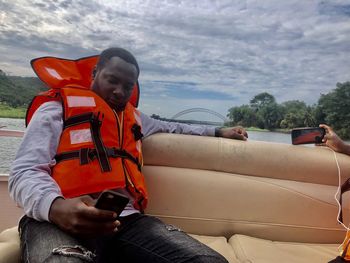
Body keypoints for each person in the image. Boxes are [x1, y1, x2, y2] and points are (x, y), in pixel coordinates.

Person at [9, 47, 248, 263]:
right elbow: (24, 172)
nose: (119, 92)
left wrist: (218, 131)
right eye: (112, 80)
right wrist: (56, 207)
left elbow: (175, 126)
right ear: (95, 73)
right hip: (54, 220)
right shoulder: (56, 108)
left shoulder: (136, 118)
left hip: (124, 221)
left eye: (128, 86)